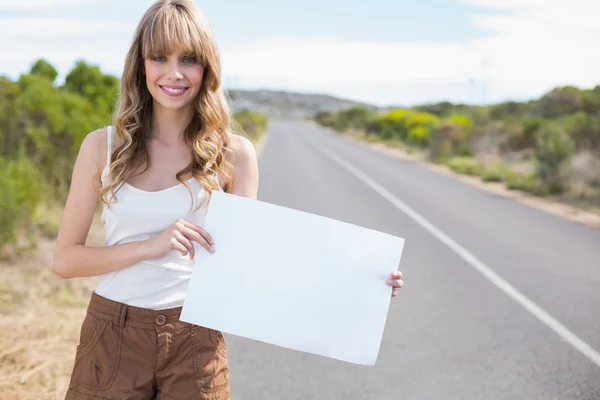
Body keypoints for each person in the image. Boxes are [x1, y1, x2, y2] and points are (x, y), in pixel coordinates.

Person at [53, 0, 404, 399]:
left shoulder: (233, 154)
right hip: (112, 334)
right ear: (140, 65)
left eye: (189, 59)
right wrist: (148, 247)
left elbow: (250, 264)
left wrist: (360, 280)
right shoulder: (104, 146)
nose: (174, 73)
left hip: (195, 340)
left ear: (207, 68)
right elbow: (66, 260)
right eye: (159, 57)